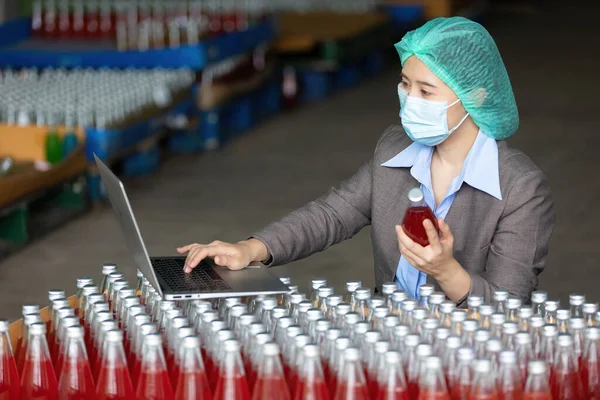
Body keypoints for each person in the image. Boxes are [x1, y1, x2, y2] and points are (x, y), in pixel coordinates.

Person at [177, 17, 555, 306]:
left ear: (475, 95)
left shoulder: (519, 188)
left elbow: (508, 305)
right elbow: (332, 214)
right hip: (389, 338)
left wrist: (447, 271)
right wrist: (251, 249)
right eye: (405, 84)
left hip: (467, 357)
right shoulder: (394, 149)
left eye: (426, 91)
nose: (410, 99)